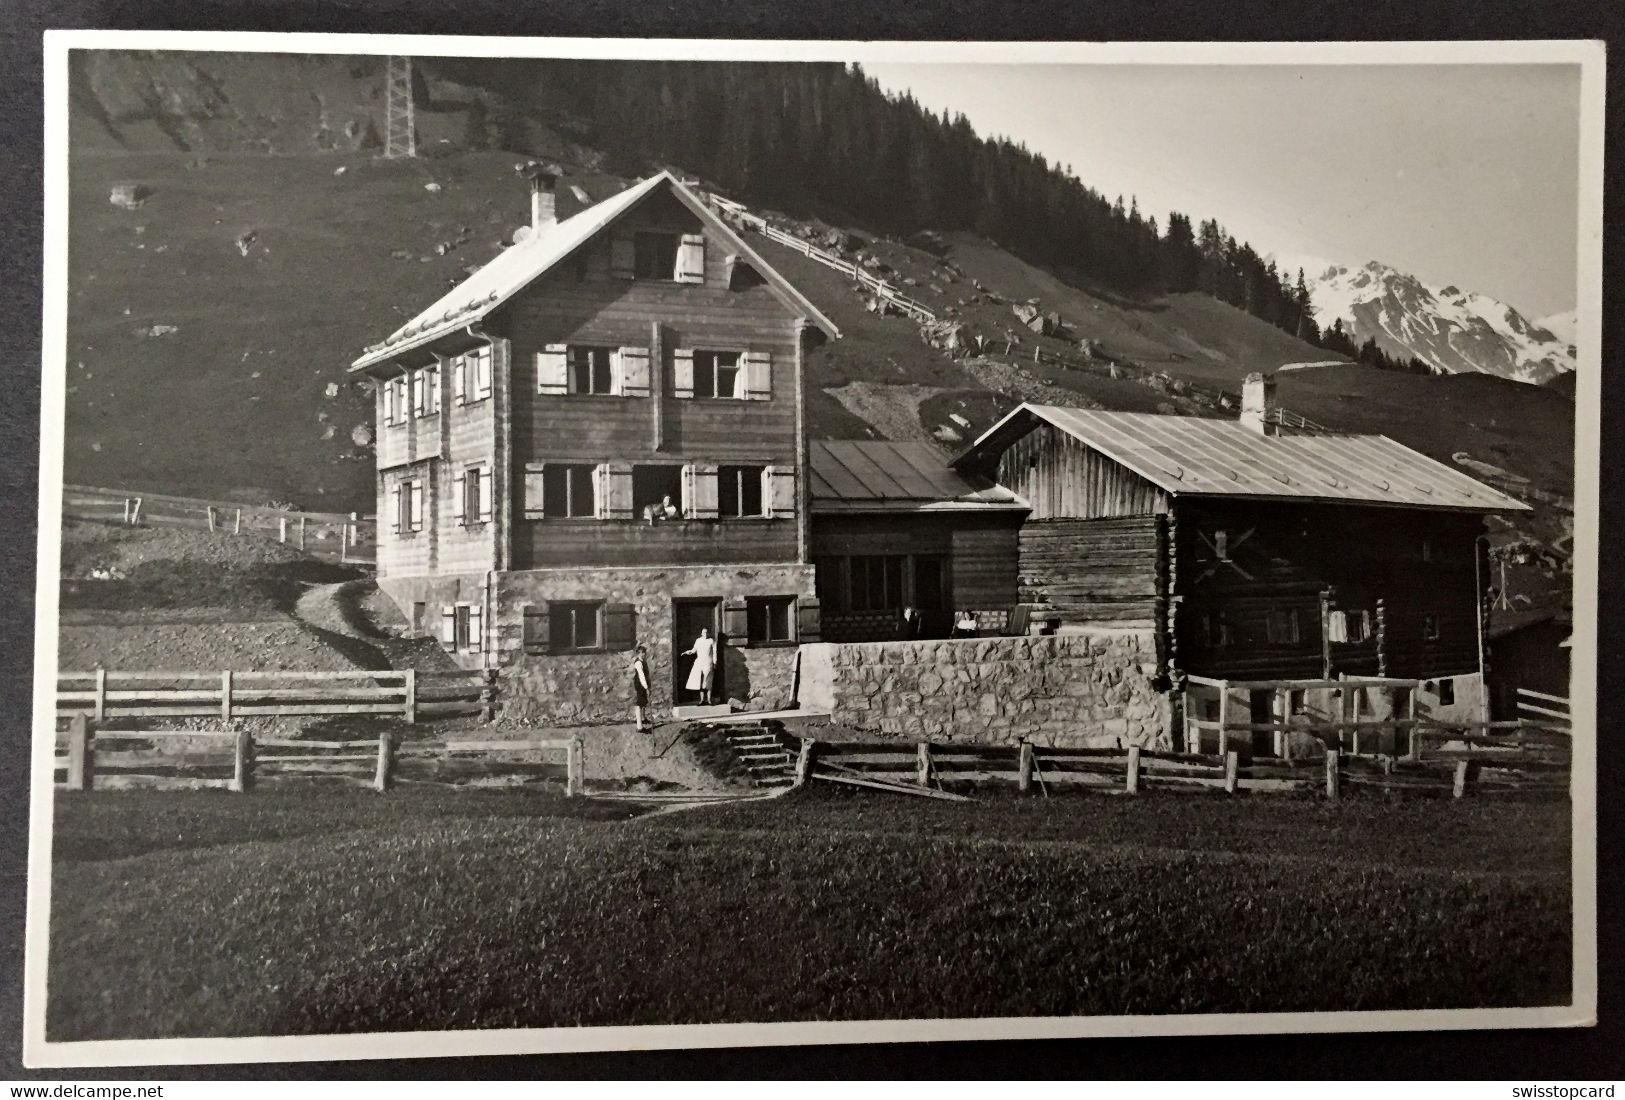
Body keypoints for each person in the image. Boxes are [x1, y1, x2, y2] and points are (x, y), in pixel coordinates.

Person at [683, 627, 718, 705]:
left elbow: (715, 652)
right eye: (704, 632)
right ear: (701, 633)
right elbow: (693, 650)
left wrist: (715, 662)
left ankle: (709, 700)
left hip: (708, 662)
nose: (705, 634)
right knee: (700, 681)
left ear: (708, 633)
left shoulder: (711, 641)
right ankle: (702, 700)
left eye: (706, 632)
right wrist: (687, 652)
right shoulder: (698, 641)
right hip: (699, 662)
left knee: (708, 681)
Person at [628, 644, 652, 732]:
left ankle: (644, 718)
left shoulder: (644, 661)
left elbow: (647, 675)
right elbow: (641, 676)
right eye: (642, 653)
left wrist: (649, 685)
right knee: (640, 703)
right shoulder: (638, 663)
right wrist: (646, 687)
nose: (644, 654)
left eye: (644, 653)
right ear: (638, 654)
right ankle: (640, 726)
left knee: (644, 701)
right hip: (640, 684)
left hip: (644, 683)